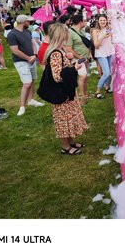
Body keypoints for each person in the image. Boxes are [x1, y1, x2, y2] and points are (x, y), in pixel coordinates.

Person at [44, 23, 88, 155]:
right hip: (61, 93)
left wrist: (71, 62)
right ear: (61, 35)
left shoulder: (60, 50)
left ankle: (71, 141)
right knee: (63, 120)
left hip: (67, 92)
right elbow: (57, 76)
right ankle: (65, 146)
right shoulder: (56, 53)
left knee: (70, 117)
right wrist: (74, 68)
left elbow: (63, 70)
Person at [7, 14, 44, 116]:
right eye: (28, 21)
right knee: (27, 83)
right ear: (24, 22)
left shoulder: (27, 31)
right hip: (21, 61)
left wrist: (34, 55)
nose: (30, 23)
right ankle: (22, 106)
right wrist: (29, 58)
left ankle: (31, 100)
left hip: (31, 59)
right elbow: (15, 51)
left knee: (32, 80)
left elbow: (32, 43)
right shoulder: (12, 34)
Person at [65, 14, 90, 103]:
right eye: (84, 20)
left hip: (85, 58)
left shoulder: (81, 31)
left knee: (85, 76)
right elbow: (68, 48)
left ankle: (84, 93)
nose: (85, 22)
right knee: (82, 76)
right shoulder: (70, 32)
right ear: (80, 22)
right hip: (78, 59)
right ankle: (82, 97)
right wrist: (81, 58)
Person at [91, 15, 115, 99]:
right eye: (101, 20)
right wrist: (102, 37)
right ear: (98, 21)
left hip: (109, 52)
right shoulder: (95, 31)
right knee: (106, 73)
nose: (103, 22)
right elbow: (96, 45)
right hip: (101, 53)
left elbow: (111, 39)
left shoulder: (108, 28)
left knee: (109, 71)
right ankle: (97, 91)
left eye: (104, 20)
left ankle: (107, 87)